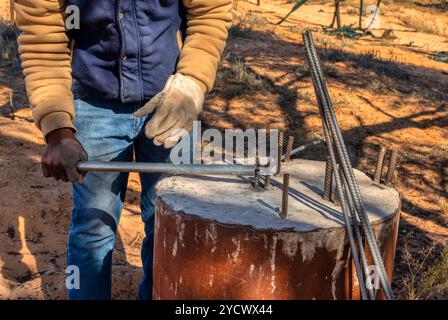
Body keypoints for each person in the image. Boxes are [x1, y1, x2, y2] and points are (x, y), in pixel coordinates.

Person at [14, 0, 232, 300]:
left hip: (171, 103)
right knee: (93, 226)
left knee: (169, 223)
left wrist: (192, 82)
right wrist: (57, 129)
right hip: (92, 102)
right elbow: (42, 37)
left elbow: (210, 11)